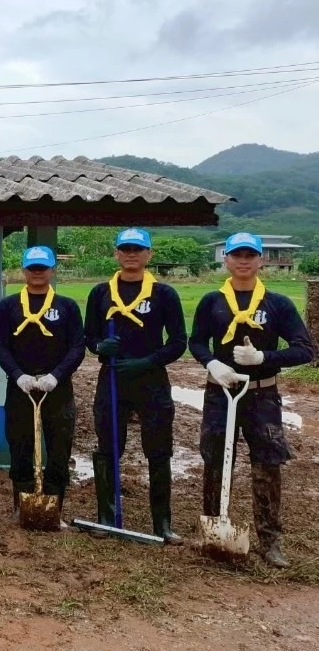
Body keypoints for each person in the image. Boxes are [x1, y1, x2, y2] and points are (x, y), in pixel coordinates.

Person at [190, 232, 314, 568]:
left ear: (261, 261)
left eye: (250, 255)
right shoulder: (211, 302)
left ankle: (270, 541)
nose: (243, 261)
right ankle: (214, 530)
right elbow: (197, 342)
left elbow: (305, 350)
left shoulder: (277, 304)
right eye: (236, 255)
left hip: (262, 395)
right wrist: (212, 363)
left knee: (267, 466)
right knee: (215, 461)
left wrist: (263, 358)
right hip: (220, 393)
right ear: (226, 260)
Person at [83, 228, 187, 543]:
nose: (131, 254)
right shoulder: (100, 293)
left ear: (148, 254)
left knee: (158, 450)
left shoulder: (164, 294)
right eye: (125, 248)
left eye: (138, 249)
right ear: (116, 253)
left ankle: (162, 523)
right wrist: (101, 347)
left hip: (151, 379)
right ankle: (106, 515)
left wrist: (149, 361)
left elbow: (179, 341)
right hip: (112, 378)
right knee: (108, 446)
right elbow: (89, 337)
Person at [0, 246, 85, 523]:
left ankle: (54, 508)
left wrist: (55, 376)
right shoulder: (8, 306)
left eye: (43, 267)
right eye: (32, 267)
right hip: (20, 387)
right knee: (20, 446)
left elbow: (77, 347)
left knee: (59, 448)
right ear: (23, 271)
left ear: (52, 270)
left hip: (57, 388)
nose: (37, 272)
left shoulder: (66, 307)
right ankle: (21, 505)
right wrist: (17, 374)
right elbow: (1, 345)